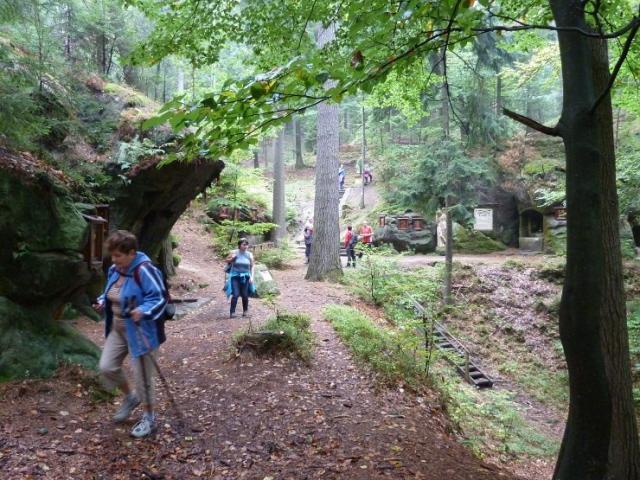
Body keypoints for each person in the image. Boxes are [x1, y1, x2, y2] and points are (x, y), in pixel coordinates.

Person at [94, 230, 167, 438]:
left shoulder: (145, 270)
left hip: (141, 331)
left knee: (143, 378)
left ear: (132, 253)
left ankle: (149, 418)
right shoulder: (116, 270)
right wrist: (102, 300)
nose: (114, 260)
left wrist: (143, 310)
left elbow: (159, 297)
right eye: (113, 255)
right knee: (107, 366)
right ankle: (130, 397)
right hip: (118, 328)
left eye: (118, 255)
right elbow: (111, 291)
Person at [225, 238, 255, 318]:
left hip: (245, 277)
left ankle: (245, 311)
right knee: (235, 294)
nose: (246, 246)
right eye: (244, 244)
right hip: (235, 276)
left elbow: (252, 267)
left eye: (247, 244)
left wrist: (252, 277)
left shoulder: (249, 254)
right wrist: (232, 258)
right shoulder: (234, 252)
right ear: (239, 245)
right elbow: (226, 260)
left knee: (245, 295)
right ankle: (232, 312)